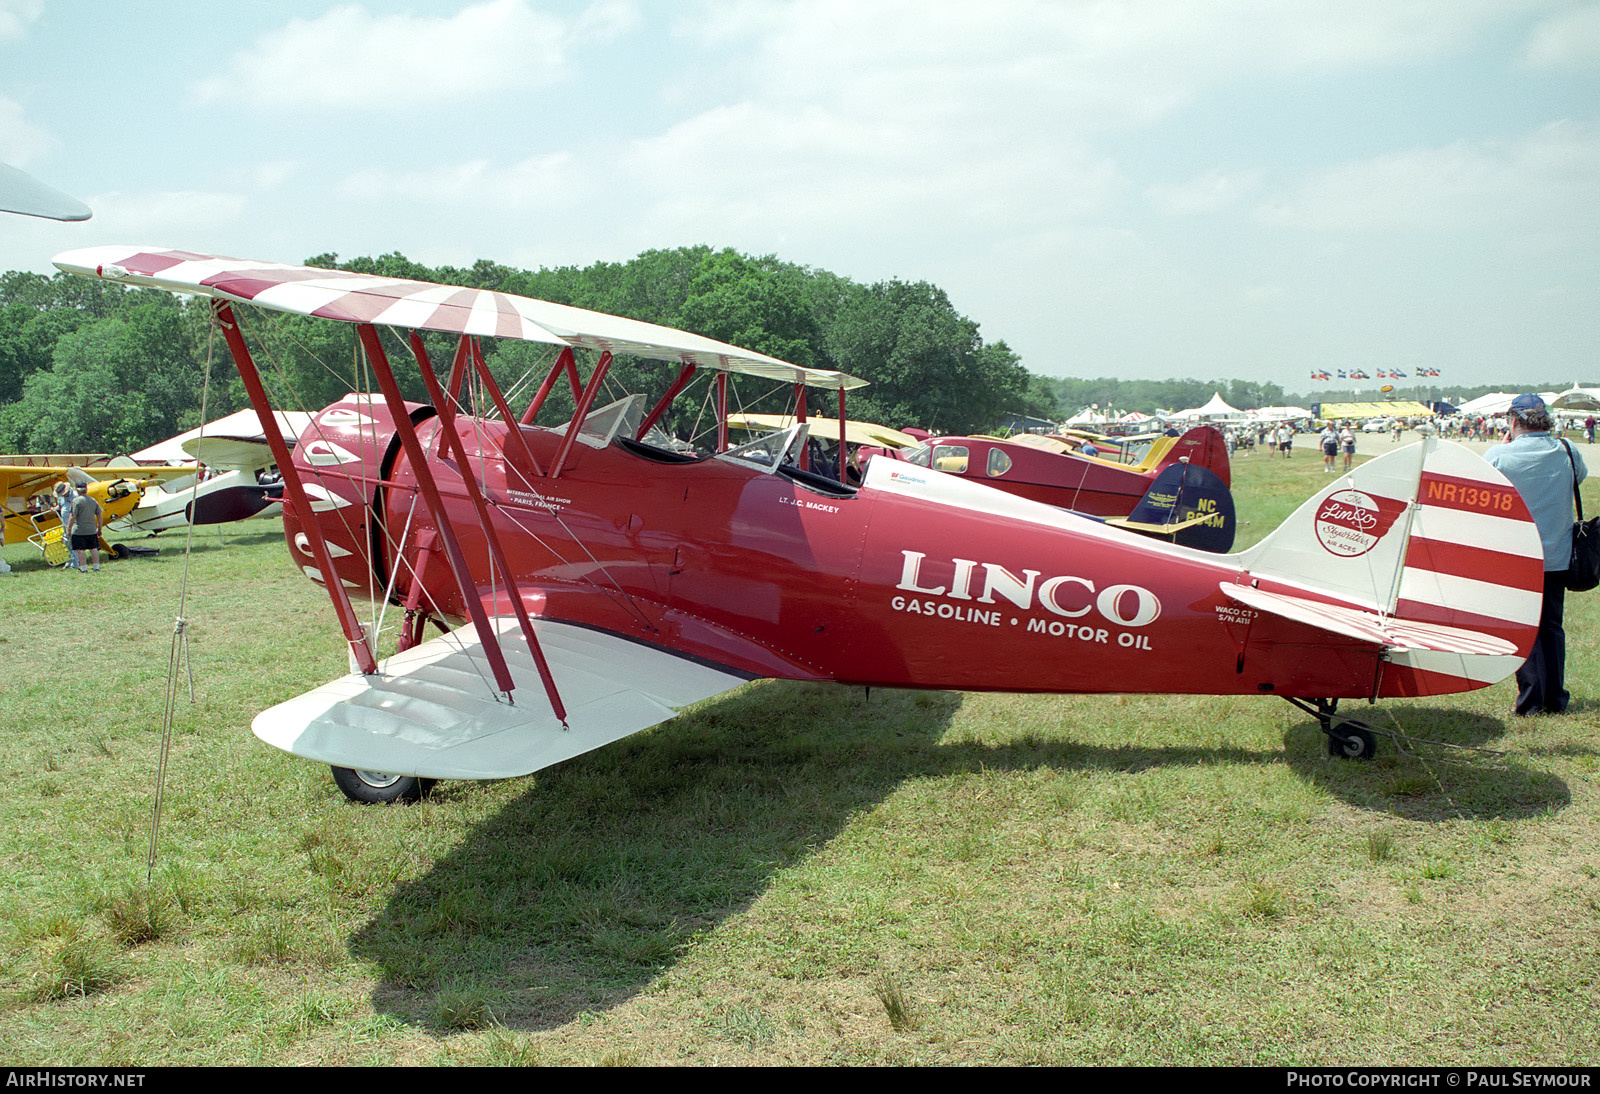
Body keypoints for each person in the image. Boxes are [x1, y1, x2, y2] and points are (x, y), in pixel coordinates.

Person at [1485, 394, 1586, 716]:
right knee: (1552, 627)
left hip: (1517, 557)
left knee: (1523, 628)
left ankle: (1531, 700)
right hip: (1557, 554)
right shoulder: (1568, 451)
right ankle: (1556, 698)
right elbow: (1578, 479)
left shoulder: (1500, 455)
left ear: (1513, 421)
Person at [68, 483, 103, 573]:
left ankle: (83, 568)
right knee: (93, 548)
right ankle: (96, 567)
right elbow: (99, 515)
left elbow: (73, 516)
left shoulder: (76, 501)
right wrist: (99, 528)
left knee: (80, 550)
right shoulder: (93, 500)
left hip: (79, 530)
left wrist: (69, 528)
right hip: (91, 530)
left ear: (77, 490)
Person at [53, 482, 78, 570]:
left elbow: (75, 512)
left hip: (73, 522)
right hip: (64, 523)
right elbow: (60, 506)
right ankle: (69, 561)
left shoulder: (75, 496)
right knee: (66, 542)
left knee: (73, 542)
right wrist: (54, 509)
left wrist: (70, 526)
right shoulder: (61, 497)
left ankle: (76, 563)